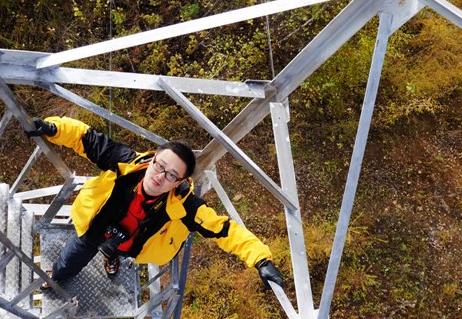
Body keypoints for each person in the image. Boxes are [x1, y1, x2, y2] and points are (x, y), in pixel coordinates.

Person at [25, 116, 283, 292]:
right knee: (71, 259)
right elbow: (86, 138)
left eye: (171, 175)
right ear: (153, 159)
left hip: (131, 244)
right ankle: (56, 277)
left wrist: (261, 260)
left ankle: (111, 257)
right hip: (96, 228)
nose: (160, 176)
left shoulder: (185, 206)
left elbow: (225, 230)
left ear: (179, 182)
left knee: (115, 250)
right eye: (160, 166)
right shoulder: (127, 163)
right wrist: (52, 128)